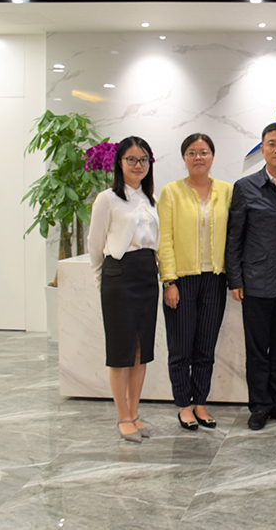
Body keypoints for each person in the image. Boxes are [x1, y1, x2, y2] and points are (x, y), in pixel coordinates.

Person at [226, 122, 276, 431]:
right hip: (255, 283)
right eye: (272, 143)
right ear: (262, 149)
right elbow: (234, 237)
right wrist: (235, 279)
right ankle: (260, 406)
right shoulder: (245, 187)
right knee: (258, 351)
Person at [158, 133, 232, 431]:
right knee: (180, 349)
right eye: (191, 152)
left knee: (205, 347)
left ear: (212, 156)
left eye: (204, 152)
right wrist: (169, 281)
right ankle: (183, 406)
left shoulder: (226, 191)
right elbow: (164, 240)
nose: (198, 157)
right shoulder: (171, 192)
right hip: (181, 281)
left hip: (215, 280)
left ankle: (200, 403)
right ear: (184, 158)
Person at [89, 136, 159, 443]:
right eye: (131, 159)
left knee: (141, 351)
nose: (138, 165)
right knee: (121, 351)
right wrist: (101, 279)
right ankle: (122, 416)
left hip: (147, 274)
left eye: (143, 159)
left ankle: (135, 412)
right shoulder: (107, 199)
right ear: (119, 163)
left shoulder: (150, 199)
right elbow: (95, 243)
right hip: (118, 275)